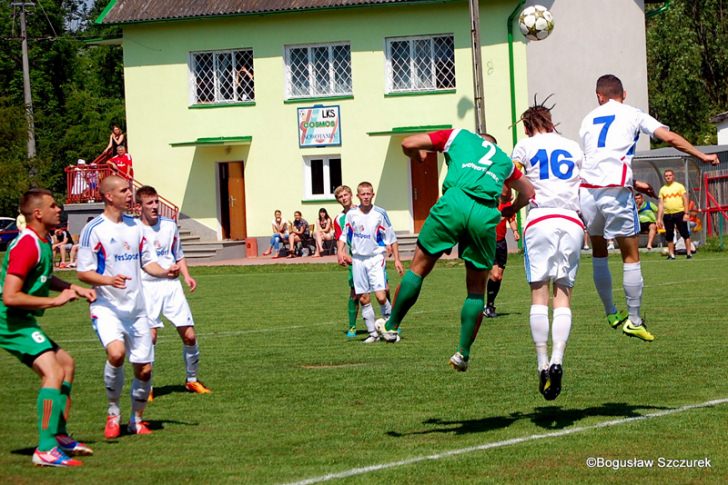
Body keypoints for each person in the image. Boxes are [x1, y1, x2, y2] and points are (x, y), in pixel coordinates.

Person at [375, 128, 534, 372]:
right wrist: (512, 209)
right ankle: (463, 353)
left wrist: (418, 158)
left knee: (418, 268)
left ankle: (392, 325)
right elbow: (529, 191)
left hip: (455, 201)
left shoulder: (458, 136)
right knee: (475, 291)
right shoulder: (503, 160)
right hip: (484, 212)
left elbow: (407, 143)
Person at [579, 74, 719, 342]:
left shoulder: (588, 119)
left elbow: (598, 159)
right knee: (630, 257)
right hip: (615, 191)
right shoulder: (633, 113)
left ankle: (610, 312)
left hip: (587, 191)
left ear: (599, 96)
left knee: (598, 252)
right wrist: (701, 155)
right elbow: (669, 138)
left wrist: (636, 182)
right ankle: (633, 319)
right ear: (625, 94)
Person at [76, 175, 179, 439]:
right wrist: (108, 280)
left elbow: (148, 263)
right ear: (109, 196)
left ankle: (137, 419)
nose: (129, 195)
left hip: (137, 309)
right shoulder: (94, 229)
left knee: (144, 368)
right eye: (124, 191)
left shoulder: (136, 228)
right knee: (117, 353)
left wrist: (166, 272)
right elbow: (82, 272)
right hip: (107, 306)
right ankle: (113, 413)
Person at [0, 188, 96, 467]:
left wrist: (72, 287)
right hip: (10, 321)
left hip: (21, 319)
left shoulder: (41, 242)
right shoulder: (27, 244)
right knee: (53, 371)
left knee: (66, 364)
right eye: (53, 206)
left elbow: (44, 275)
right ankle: (45, 449)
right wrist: (55, 303)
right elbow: (10, 296)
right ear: (38, 213)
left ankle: (59, 435)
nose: (59, 209)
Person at [512, 101, 584, 400]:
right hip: (571, 221)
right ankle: (558, 360)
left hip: (540, 220)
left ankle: (542, 364)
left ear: (528, 126)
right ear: (551, 121)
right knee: (563, 295)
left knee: (539, 295)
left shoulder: (524, 146)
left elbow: (515, 183)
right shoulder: (574, 148)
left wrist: (509, 209)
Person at [136, 186, 211, 394]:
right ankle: (146, 387)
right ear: (139, 206)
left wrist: (187, 276)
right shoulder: (134, 229)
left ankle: (192, 379)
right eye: (149, 203)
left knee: (189, 335)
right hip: (147, 287)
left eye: (156, 202)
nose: (154, 206)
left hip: (172, 286)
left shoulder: (169, 225)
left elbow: (178, 253)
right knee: (149, 338)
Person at [340, 182, 404, 343]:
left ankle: (392, 328)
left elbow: (392, 238)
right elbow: (344, 235)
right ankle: (373, 334)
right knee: (363, 298)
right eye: (363, 194)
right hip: (358, 260)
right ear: (358, 196)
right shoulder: (351, 215)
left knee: (381, 297)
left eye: (369, 194)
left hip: (376, 259)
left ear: (373, 195)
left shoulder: (380, 213)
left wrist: (397, 259)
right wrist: (340, 252)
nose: (366, 197)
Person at [483, 186, 520, 318]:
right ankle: (484, 304)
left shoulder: (507, 204)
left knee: (499, 276)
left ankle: (489, 305)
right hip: (489, 242)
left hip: (501, 243)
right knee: (495, 275)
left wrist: (515, 231)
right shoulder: (489, 202)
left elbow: (511, 218)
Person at [334, 185, 361, 337]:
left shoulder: (363, 210)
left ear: (351, 195)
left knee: (384, 288)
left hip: (371, 256)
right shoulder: (338, 219)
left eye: (346, 195)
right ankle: (352, 326)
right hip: (354, 259)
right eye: (340, 197)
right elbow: (340, 239)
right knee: (354, 293)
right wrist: (341, 253)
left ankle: (390, 322)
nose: (344, 198)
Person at [656, 169, 692, 260]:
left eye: (670, 175)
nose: (668, 177)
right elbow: (660, 204)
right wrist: (659, 218)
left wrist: (686, 213)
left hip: (679, 213)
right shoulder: (662, 189)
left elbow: (685, 199)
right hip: (668, 215)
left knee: (685, 233)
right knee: (669, 235)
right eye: (666, 176)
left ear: (673, 176)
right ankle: (671, 254)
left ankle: (689, 253)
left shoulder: (679, 187)